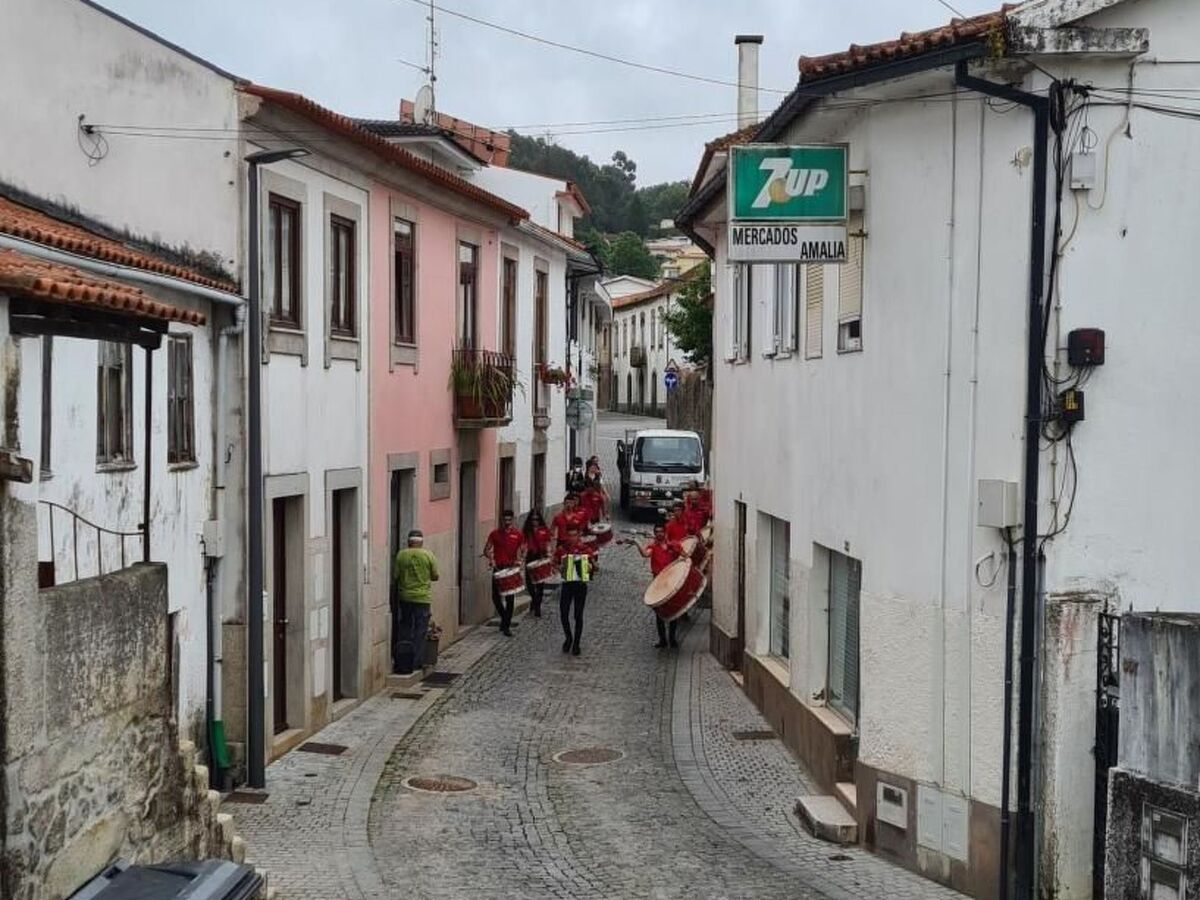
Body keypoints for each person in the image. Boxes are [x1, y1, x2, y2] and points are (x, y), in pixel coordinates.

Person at [628, 522, 686, 649]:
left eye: (661, 531)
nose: (659, 534)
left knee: (673, 609)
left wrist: (674, 548)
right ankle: (662, 639)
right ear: (655, 534)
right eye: (657, 532)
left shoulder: (673, 545)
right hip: (658, 582)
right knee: (659, 611)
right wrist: (637, 542)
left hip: (671, 581)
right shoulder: (653, 546)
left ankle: (672, 638)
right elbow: (645, 554)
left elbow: (685, 556)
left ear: (665, 533)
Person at [392, 529, 440, 672]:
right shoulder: (428, 555)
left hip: (405, 597)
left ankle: (403, 658)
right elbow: (435, 576)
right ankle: (416, 661)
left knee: (405, 627)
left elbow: (396, 576)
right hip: (422, 598)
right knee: (420, 629)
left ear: (409, 541)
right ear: (421, 542)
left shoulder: (401, 555)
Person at [556, 523, 596, 656]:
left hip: (580, 585)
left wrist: (590, 567)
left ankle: (576, 643)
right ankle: (568, 638)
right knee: (563, 613)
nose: (572, 538)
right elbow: (555, 563)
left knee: (578, 615)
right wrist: (560, 568)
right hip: (567, 584)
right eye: (570, 535)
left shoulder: (585, 549)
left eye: (574, 535)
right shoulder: (562, 549)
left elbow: (595, 566)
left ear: (579, 535)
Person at [484, 509, 525, 636]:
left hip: (510, 568)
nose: (507, 522)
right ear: (501, 520)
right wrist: (491, 560)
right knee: (495, 597)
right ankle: (504, 617)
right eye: (505, 520)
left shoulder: (518, 534)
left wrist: (520, 560)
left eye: (509, 520)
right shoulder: (494, 534)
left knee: (510, 598)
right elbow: (486, 549)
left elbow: (524, 549)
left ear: (512, 520)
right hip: (498, 568)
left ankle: (506, 626)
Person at [522, 509, 554, 617]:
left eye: (536, 519)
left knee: (540, 583)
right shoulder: (527, 531)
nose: (534, 521)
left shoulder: (544, 530)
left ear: (539, 519)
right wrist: (522, 556)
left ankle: (537, 607)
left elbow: (548, 543)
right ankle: (535, 600)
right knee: (529, 583)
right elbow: (523, 544)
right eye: (532, 519)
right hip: (530, 556)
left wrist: (549, 555)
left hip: (541, 556)